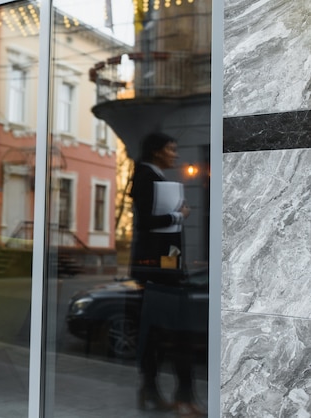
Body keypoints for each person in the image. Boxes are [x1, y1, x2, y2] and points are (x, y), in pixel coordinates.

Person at [129, 132, 204, 416]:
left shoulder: (153, 174)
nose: (175, 154)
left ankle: (153, 394)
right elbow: (147, 220)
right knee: (177, 333)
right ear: (157, 151)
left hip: (164, 267)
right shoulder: (146, 176)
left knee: (158, 333)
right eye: (171, 149)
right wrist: (178, 215)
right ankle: (180, 396)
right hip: (157, 269)